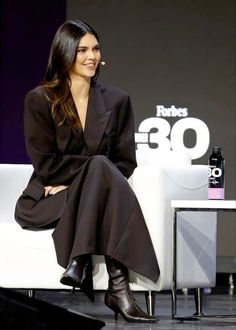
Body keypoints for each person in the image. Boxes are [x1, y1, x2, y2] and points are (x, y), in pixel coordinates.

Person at [15, 19, 160, 323]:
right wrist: (88, 177)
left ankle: (81, 263)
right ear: (65, 54)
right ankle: (117, 290)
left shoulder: (117, 101)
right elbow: (46, 165)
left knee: (102, 169)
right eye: (82, 50)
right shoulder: (40, 100)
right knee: (98, 166)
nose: (91, 56)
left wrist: (81, 182)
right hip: (47, 201)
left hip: (75, 195)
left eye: (95, 49)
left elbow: (125, 162)